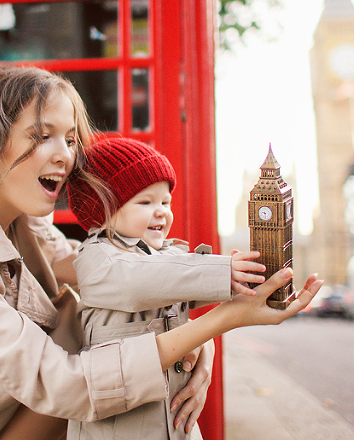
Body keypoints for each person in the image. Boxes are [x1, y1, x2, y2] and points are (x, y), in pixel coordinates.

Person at [0, 65, 323, 440]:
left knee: (84, 321)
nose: (65, 155)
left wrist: (201, 338)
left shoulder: (21, 220)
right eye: (40, 137)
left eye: (69, 137)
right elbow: (63, 382)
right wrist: (220, 322)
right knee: (72, 332)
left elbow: (112, 277)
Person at [63, 136, 269, 440]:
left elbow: (186, 279)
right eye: (145, 202)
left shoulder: (167, 256)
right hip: (118, 428)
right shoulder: (97, 258)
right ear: (102, 210)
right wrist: (223, 272)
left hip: (174, 422)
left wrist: (248, 278)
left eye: (165, 202)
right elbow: (140, 281)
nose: (161, 211)